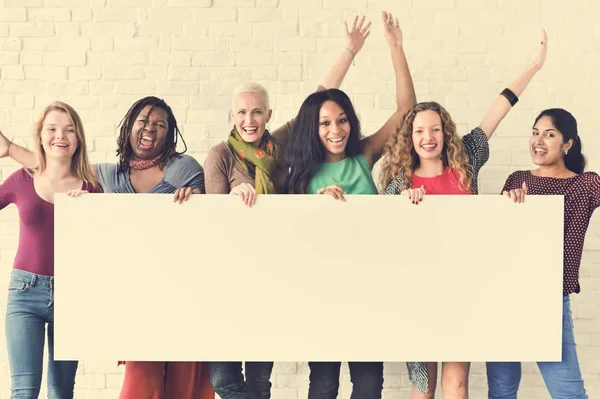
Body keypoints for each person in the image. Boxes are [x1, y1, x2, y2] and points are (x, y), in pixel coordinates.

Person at [202, 14, 373, 399]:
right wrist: (233, 196)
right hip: (230, 275)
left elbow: (314, 104)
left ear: (268, 116)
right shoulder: (220, 155)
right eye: (243, 112)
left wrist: (349, 51)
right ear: (232, 116)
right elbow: (215, 221)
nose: (250, 120)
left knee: (261, 379)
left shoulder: (276, 148)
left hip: (270, 273)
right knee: (224, 380)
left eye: (257, 112)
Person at [2, 96, 213, 399]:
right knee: (138, 386)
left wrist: (197, 198)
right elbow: (57, 166)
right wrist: (9, 149)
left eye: (159, 124)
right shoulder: (109, 176)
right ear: (128, 127)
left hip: (180, 291)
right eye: (142, 121)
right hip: (133, 298)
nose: (149, 129)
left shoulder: (182, 169)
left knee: (183, 388)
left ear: (170, 133)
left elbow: (209, 221)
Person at [378, 31, 548, 399]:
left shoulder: (466, 160)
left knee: (456, 386)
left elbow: (497, 111)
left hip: (463, 289)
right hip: (418, 295)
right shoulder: (398, 183)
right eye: (420, 131)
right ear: (410, 137)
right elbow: (382, 236)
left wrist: (532, 67)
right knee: (423, 389)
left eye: (435, 129)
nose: (428, 137)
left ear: (445, 132)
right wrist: (403, 205)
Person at [284, 11, 417, 399]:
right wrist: (348, 52)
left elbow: (406, 111)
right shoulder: (300, 175)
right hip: (321, 289)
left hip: (368, 286)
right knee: (323, 383)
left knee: (368, 384)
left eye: (341, 120)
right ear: (314, 128)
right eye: (325, 123)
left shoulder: (363, 154)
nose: (335, 130)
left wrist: (395, 47)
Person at [487, 108, 596, 399]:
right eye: (535, 133)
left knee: (568, 393)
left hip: (549, 299)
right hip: (507, 297)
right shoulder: (517, 179)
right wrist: (508, 207)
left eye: (549, 134)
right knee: (501, 391)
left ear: (568, 143)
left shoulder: (585, 185)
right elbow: (494, 241)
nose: (539, 140)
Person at [0, 101, 101, 399]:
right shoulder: (22, 179)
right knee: (24, 391)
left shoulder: (91, 187)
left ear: (78, 138)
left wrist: (89, 212)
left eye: (69, 130)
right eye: (52, 129)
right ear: (41, 136)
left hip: (73, 295)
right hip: (24, 293)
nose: (61, 136)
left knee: (61, 392)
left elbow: (105, 246)